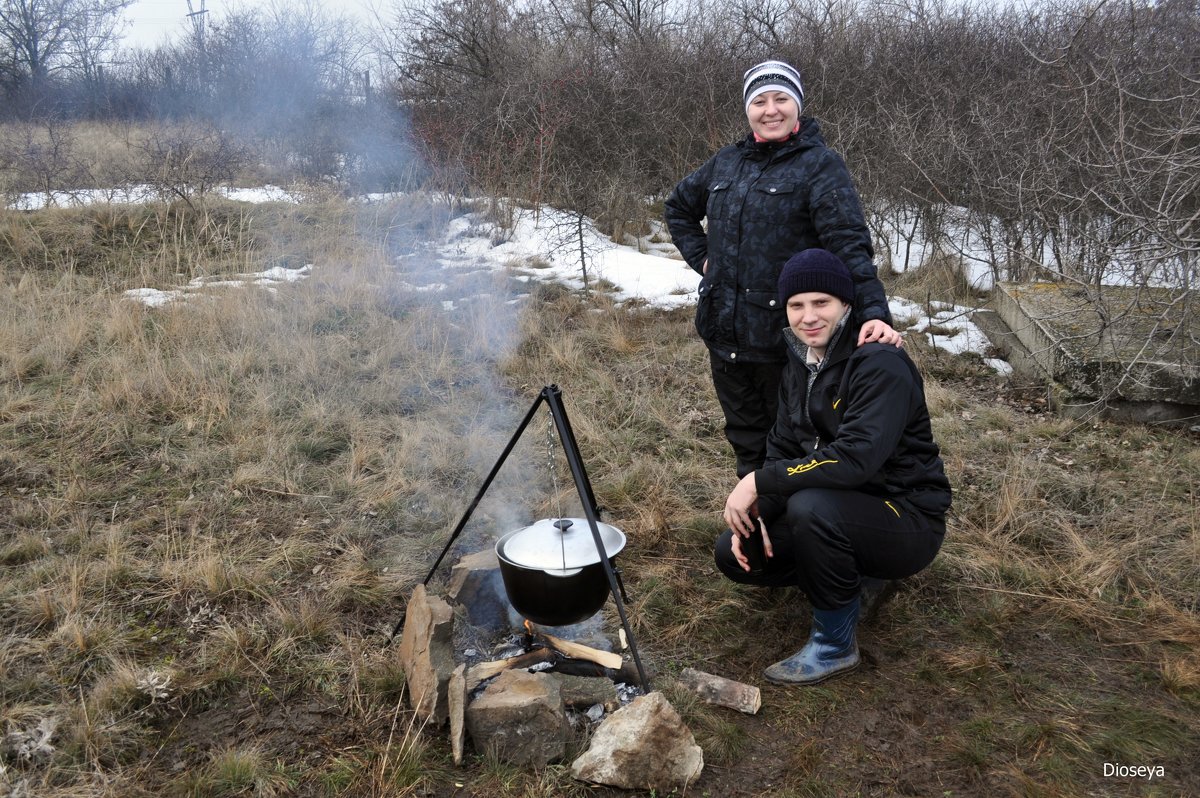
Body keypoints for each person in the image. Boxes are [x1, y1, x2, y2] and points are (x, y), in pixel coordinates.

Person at [715, 248, 951, 685]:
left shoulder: (878, 362)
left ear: (845, 304)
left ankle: (834, 644)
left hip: (906, 517)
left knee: (811, 508)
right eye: (796, 305)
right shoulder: (801, 360)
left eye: (821, 302)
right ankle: (851, 579)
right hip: (844, 503)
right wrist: (762, 506)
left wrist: (758, 481)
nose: (808, 317)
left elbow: (855, 459)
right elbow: (784, 443)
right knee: (736, 549)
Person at [665, 60, 901, 478]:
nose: (770, 109)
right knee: (745, 439)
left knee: (795, 445)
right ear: (747, 109)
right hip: (725, 334)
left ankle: (797, 532)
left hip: (789, 341)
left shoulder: (820, 165)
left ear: (797, 106)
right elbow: (679, 207)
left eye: (781, 99)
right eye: (759, 100)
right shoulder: (726, 162)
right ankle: (751, 524)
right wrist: (705, 259)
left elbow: (848, 245)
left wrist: (875, 314)